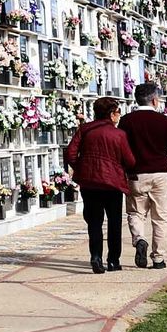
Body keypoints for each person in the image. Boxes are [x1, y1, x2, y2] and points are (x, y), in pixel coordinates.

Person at [66, 96, 137, 273]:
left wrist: (81, 167)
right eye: (118, 112)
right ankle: (113, 260)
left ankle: (96, 257)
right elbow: (129, 160)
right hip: (112, 184)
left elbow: (70, 153)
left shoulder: (84, 130)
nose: (119, 116)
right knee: (114, 222)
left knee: (94, 222)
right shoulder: (118, 134)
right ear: (112, 114)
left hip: (90, 183)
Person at [118, 82, 167, 269]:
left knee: (136, 213)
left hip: (136, 174)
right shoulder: (165, 121)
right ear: (155, 100)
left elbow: (121, 147)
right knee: (160, 217)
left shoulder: (126, 121)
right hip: (160, 174)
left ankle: (139, 239)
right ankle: (158, 259)